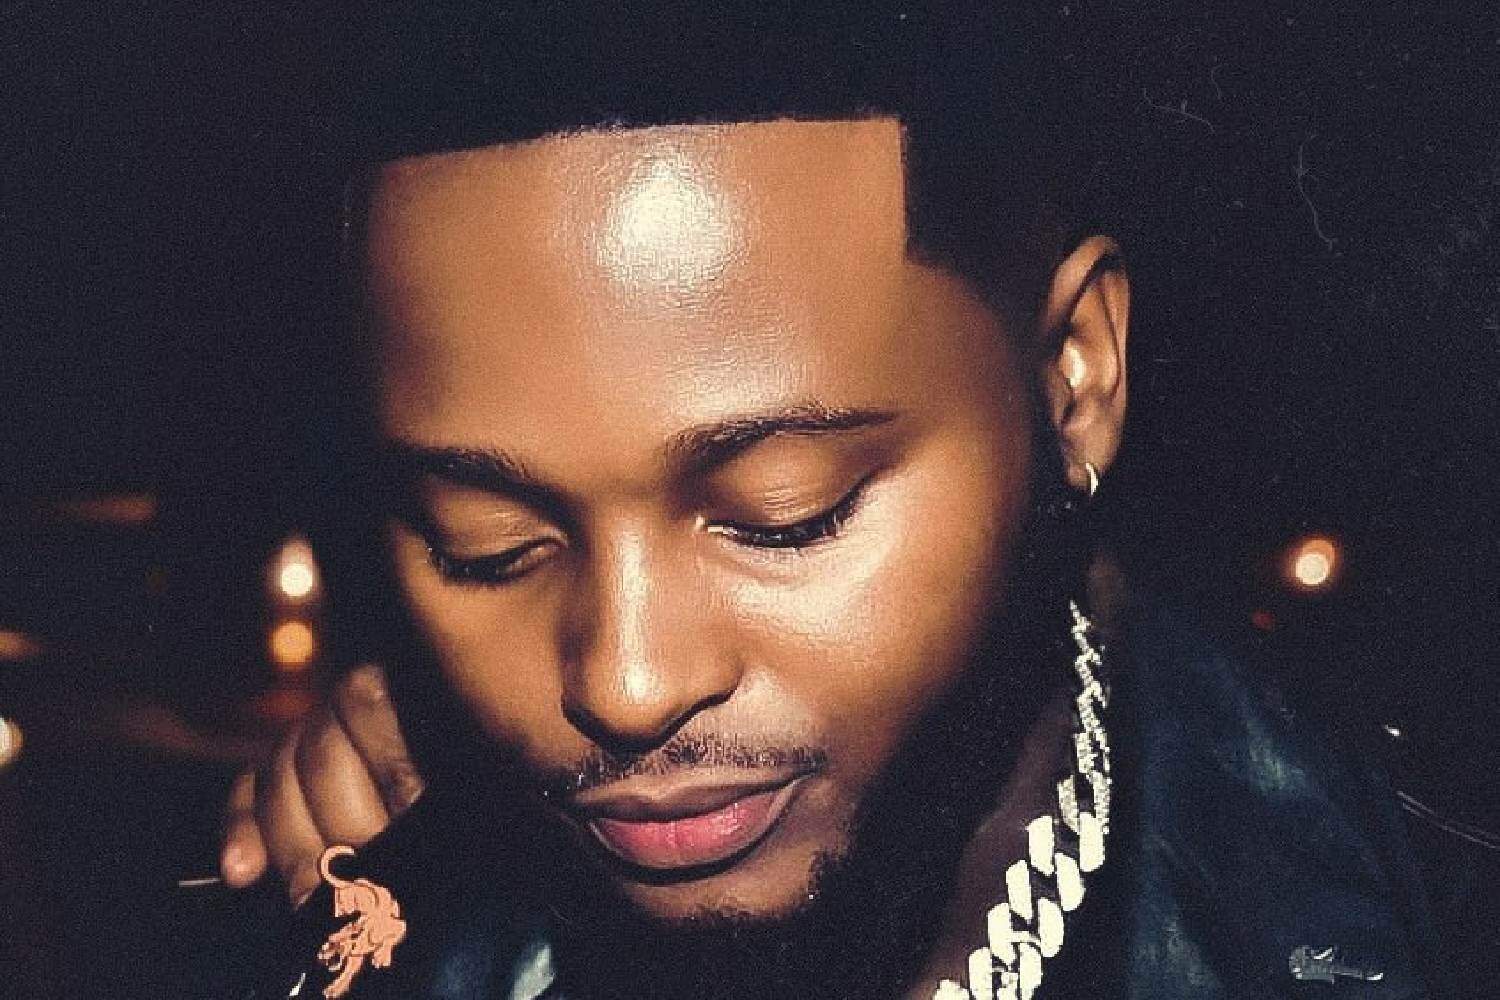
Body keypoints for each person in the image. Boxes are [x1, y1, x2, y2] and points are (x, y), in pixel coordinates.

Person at [213, 5, 1441, 998]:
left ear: (1072, 378)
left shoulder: (1406, 910)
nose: (627, 683)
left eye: (784, 514)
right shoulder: (376, 901)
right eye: (487, 546)